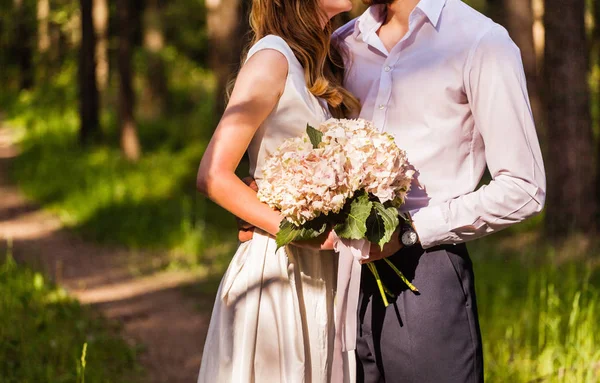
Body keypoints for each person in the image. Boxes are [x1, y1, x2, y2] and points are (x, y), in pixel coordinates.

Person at [239, 0, 547, 381]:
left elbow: (524, 187)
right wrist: (272, 202)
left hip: (426, 273)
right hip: (336, 276)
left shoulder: (481, 42)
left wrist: (410, 233)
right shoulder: (340, 45)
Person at [195, 0, 361, 382]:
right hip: (280, 269)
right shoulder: (272, 58)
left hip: (328, 273)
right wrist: (299, 231)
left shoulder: (322, 61)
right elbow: (213, 174)